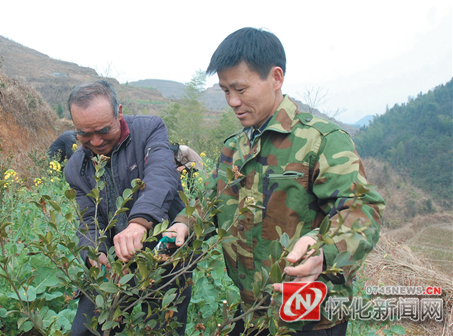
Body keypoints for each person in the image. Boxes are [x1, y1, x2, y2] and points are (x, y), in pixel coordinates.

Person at [167, 27, 384, 335]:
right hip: (253, 310)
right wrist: (184, 223)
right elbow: (209, 203)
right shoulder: (234, 147)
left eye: (240, 89)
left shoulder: (319, 141)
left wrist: (323, 249)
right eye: (225, 91)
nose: (231, 101)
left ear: (276, 78)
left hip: (310, 316)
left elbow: (363, 209)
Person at [64, 80, 192, 336]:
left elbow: (161, 174)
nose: (96, 141)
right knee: (86, 330)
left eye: (103, 130)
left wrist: (139, 223)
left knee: (162, 326)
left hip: (163, 245)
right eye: (85, 134)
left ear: (119, 112)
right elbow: (87, 218)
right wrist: (95, 252)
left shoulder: (148, 129)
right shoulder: (75, 167)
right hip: (115, 261)